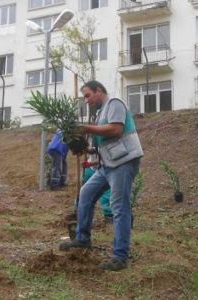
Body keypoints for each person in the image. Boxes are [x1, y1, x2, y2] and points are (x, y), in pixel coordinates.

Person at [59, 80, 143, 272]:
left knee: (119, 206)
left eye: (88, 95)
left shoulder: (114, 103)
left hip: (123, 162)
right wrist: (86, 150)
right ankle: (82, 238)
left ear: (99, 91)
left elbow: (116, 129)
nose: (86, 100)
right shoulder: (100, 113)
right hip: (108, 165)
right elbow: (105, 144)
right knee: (86, 194)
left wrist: (85, 128)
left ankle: (120, 256)